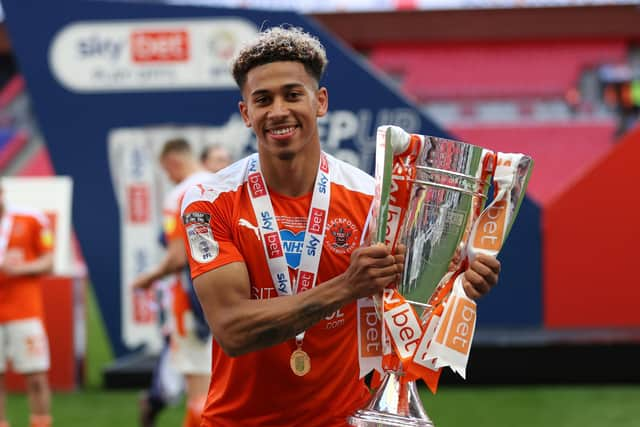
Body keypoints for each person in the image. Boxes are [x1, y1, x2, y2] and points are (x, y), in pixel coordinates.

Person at [179, 26, 501, 426]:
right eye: (263, 100)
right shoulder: (209, 202)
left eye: (293, 94)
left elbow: (405, 323)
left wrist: (456, 292)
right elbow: (233, 330)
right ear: (246, 113)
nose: (278, 110)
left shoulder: (373, 201)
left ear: (320, 102)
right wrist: (346, 287)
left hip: (343, 419)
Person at [131, 138, 220, 427]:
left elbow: (178, 257)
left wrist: (148, 278)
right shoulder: (224, 185)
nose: (169, 177)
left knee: (199, 389)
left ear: (173, 162)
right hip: (231, 296)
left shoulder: (180, 196)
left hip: (193, 303)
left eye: (167, 171)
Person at [0, 184, 54, 427]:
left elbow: (49, 262)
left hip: (25, 312)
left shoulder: (31, 218)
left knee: (36, 376)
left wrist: (19, 268)